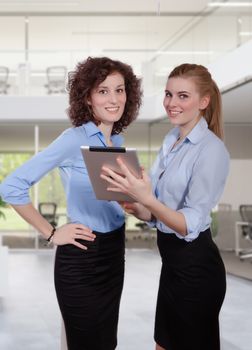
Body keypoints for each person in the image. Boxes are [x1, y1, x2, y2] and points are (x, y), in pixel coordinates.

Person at [0, 56, 142, 350]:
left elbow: (113, 201)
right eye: (103, 91)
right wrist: (51, 233)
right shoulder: (73, 138)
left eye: (120, 89)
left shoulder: (117, 141)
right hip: (82, 256)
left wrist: (133, 201)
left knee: (106, 343)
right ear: (87, 98)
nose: (114, 98)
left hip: (115, 252)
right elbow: (12, 186)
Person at [101, 63, 230, 350]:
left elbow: (189, 224)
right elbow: (156, 210)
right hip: (171, 267)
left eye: (183, 96)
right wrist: (136, 203)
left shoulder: (211, 150)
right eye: (168, 94)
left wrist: (147, 199)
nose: (171, 103)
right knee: (162, 344)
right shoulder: (171, 140)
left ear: (203, 102)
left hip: (196, 269)